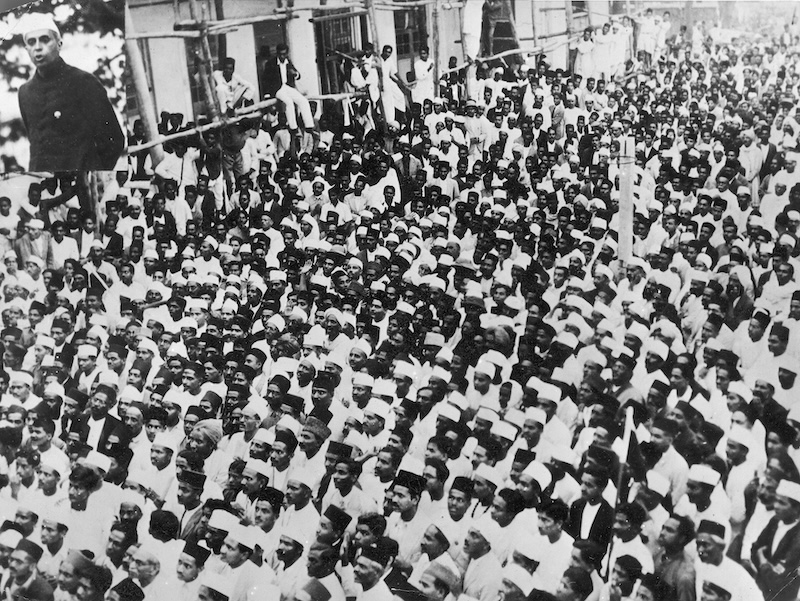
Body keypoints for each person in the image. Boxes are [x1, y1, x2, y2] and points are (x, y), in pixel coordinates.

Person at [17, 12, 123, 171]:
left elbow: (113, 140)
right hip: (42, 180)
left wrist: (91, 173)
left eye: (45, 39)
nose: (38, 47)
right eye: (31, 42)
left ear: (59, 43)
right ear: (27, 49)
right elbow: (36, 142)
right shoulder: (25, 92)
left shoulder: (84, 82)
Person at [262, 44, 313, 134]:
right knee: (288, 102)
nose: (282, 56)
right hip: (277, 89)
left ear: (287, 54)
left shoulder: (288, 62)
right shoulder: (270, 64)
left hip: (288, 87)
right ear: (277, 54)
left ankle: (309, 126)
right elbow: (265, 80)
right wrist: (267, 95)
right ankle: (293, 128)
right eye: (280, 54)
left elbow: (298, 75)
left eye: (284, 54)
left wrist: (295, 74)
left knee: (303, 101)